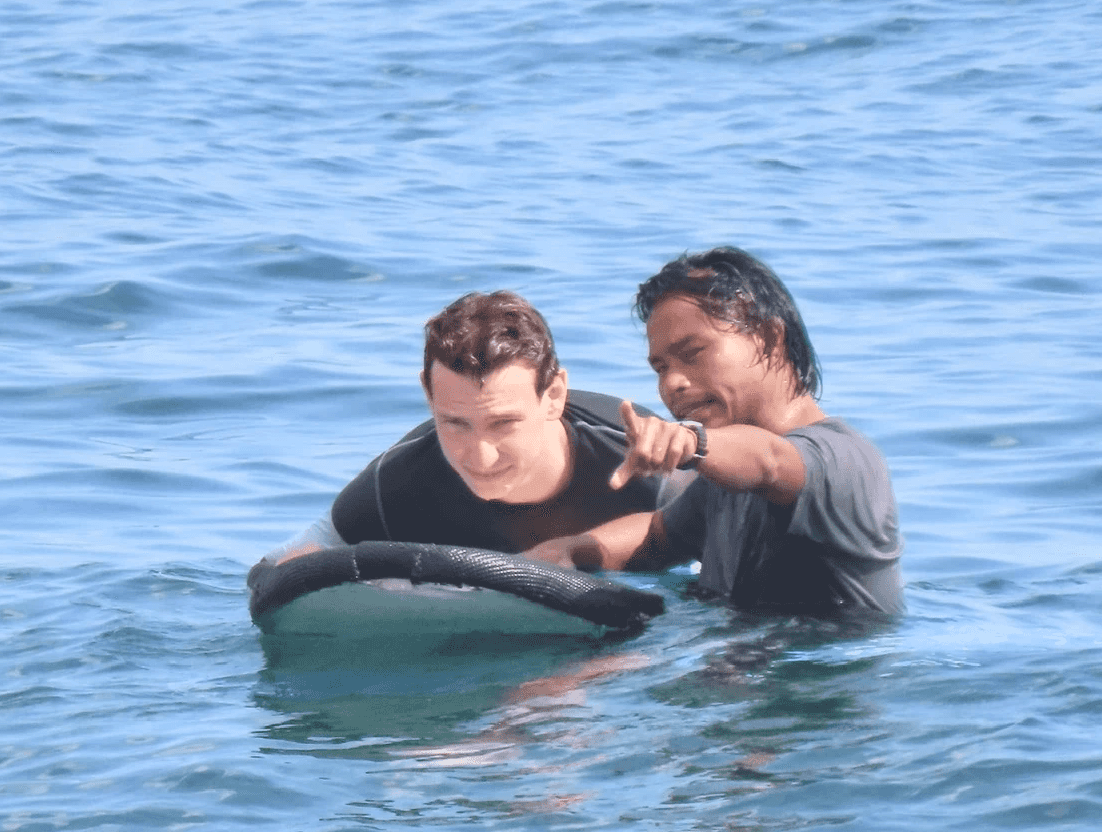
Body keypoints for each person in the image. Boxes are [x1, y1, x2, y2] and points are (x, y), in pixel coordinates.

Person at [526, 247, 903, 616]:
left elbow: (770, 461)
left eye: (693, 353)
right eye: (660, 367)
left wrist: (693, 442)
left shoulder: (843, 462)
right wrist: (571, 549)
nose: (672, 382)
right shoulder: (723, 484)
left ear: (771, 339)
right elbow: (658, 535)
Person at [271, 290, 673, 562]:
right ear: (429, 398)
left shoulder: (641, 458)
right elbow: (277, 572)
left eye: (504, 423)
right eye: (456, 424)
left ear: (553, 396)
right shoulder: (396, 484)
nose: (481, 455)